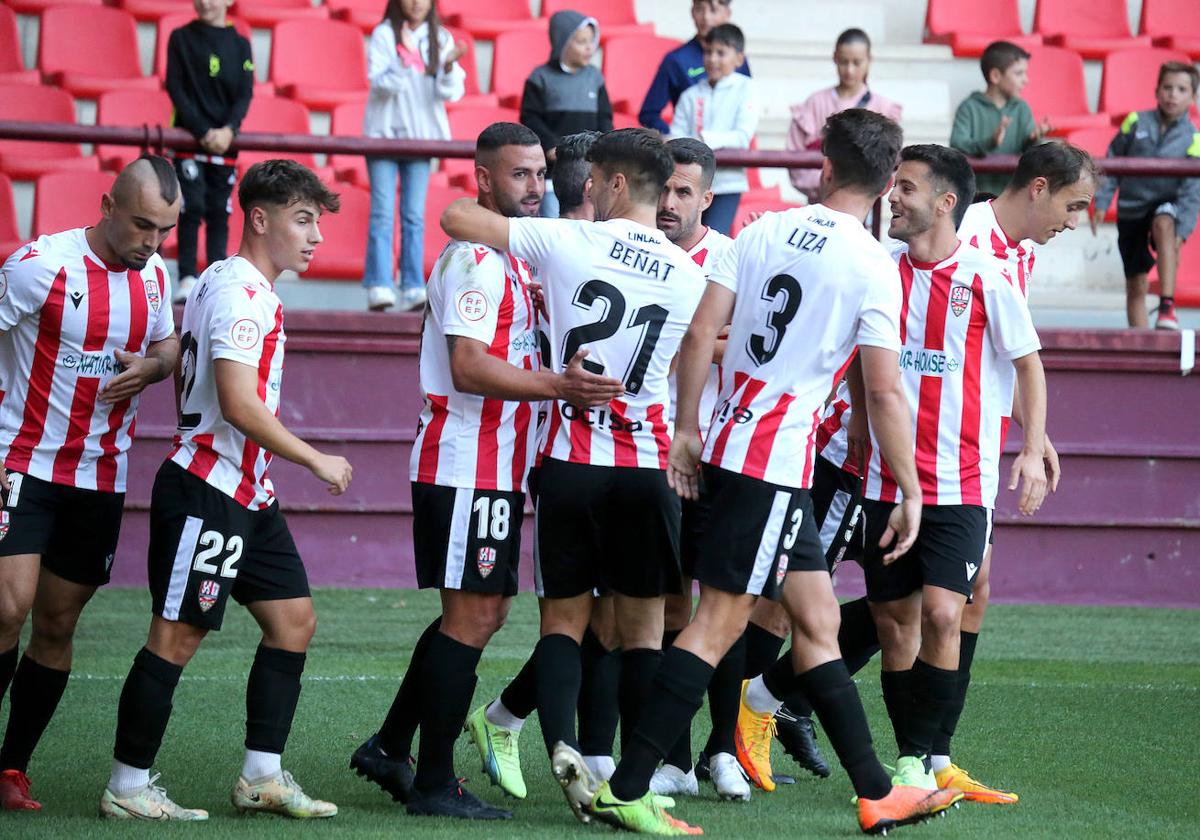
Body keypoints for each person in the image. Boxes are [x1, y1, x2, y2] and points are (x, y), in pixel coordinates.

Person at [560, 110, 961, 836]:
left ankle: (876, 789)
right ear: (881, 185)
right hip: (773, 463)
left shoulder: (763, 229)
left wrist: (686, 429)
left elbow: (696, 334)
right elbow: (881, 390)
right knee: (715, 627)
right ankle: (626, 786)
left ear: (826, 167)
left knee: (815, 625)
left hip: (732, 445)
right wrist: (908, 488)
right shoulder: (873, 266)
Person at [738, 140, 1094, 805]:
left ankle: (926, 755)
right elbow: (847, 356)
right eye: (893, 186)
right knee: (873, 614)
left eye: (905, 188)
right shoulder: (884, 270)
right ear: (1038, 191)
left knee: (947, 605)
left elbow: (1025, 360)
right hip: (873, 475)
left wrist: (1032, 441)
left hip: (959, 478)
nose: (892, 198)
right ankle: (778, 713)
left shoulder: (989, 269)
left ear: (945, 200)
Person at [350, 123, 623, 821]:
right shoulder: (475, 258)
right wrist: (558, 386)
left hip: (495, 467)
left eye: (539, 174)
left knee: (476, 614)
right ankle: (435, 783)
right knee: (472, 617)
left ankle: (390, 745)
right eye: (519, 176)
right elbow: (469, 366)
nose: (534, 189)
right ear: (483, 179)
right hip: (467, 462)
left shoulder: (517, 258)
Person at [442, 127, 707, 825]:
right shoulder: (689, 273)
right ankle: (634, 787)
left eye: (593, 179)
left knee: (563, 621)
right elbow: (697, 358)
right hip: (645, 467)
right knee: (645, 630)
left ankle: (554, 740)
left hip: (569, 461)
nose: (583, 188)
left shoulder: (566, 240)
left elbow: (454, 218)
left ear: (616, 185)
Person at [99, 160, 351, 821]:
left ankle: (261, 777)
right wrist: (315, 459)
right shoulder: (240, 291)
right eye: (304, 219)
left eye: (318, 222)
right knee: (175, 638)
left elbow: (192, 364)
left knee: (293, 622)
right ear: (260, 219)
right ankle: (126, 787)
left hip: (247, 491)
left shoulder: (219, 277)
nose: (316, 236)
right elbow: (238, 403)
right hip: (209, 488)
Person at [0, 157, 182, 812]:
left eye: (163, 230)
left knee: (54, 624)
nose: (151, 242)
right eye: (141, 225)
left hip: (100, 475)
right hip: (21, 459)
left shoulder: (156, 277)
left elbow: (170, 347)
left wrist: (153, 367)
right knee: (6, 607)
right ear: (107, 205)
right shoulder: (37, 265)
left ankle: (11, 767)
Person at [461, 130, 630, 798]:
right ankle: (585, 758)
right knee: (572, 616)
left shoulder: (578, 250)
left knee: (609, 616)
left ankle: (510, 719)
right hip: (561, 453)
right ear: (599, 186)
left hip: (616, 452)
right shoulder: (551, 248)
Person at [650, 137, 749, 802]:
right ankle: (675, 756)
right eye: (662, 188)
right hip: (651, 454)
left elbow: (741, 345)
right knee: (668, 603)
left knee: (728, 604)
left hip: (719, 454)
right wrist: (700, 341)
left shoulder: (732, 258)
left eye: (683, 191)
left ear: (708, 198)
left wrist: (698, 341)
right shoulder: (636, 250)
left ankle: (723, 749)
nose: (668, 202)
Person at [363, 0, 466, 312]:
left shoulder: (440, 37)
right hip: (383, 136)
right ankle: (380, 284)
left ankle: (411, 286)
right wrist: (403, 56)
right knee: (382, 213)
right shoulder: (384, 34)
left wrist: (447, 67)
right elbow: (379, 84)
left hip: (421, 139)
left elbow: (450, 92)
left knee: (413, 215)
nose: (415, 3)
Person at [1092, 61, 1200, 330]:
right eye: (1167, 88)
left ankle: (1167, 306)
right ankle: (1140, 344)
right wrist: (1102, 201)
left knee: (1165, 221)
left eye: (1181, 89)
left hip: (1165, 205)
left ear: (1193, 98)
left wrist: (1182, 231)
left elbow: (1191, 190)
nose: (1173, 94)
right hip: (1131, 210)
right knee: (1136, 285)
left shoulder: (1194, 138)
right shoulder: (1135, 121)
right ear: (1156, 91)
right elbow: (1113, 162)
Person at [165, 0, 254, 304]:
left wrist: (229, 130)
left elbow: (245, 92)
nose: (205, 2)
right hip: (190, 139)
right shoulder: (180, 38)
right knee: (190, 206)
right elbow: (175, 88)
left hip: (226, 143)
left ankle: (217, 275)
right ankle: (188, 276)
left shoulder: (241, 44)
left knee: (220, 209)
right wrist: (201, 131)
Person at [786, 28, 902, 204]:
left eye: (857, 63)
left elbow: (890, 161)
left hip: (864, 204)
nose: (849, 70)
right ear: (835, 58)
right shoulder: (814, 103)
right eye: (843, 62)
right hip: (819, 199)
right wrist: (824, 183)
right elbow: (795, 155)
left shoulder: (883, 107)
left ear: (869, 60)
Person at [520, 10, 613, 219]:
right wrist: (551, 146)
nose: (590, 47)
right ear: (562, 43)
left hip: (592, 174)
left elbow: (605, 118)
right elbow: (530, 118)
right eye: (581, 42)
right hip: (554, 177)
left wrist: (606, 147)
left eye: (591, 41)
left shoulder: (595, 77)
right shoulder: (540, 77)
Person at [669, 24, 758, 235]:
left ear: (738, 59)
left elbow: (742, 137)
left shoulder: (747, 88)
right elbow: (675, 137)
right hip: (689, 182)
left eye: (721, 53)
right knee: (683, 236)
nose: (712, 59)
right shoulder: (690, 94)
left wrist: (703, 140)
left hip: (728, 183)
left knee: (713, 237)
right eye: (708, 52)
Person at [949, 40, 1049, 197]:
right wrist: (990, 143)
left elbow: (1032, 157)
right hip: (974, 199)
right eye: (1018, 73)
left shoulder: (1021, 109)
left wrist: (1034, 140)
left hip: (1011, 200)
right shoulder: (969, 108)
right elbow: (957, 145)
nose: (1026, 80)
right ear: (995, 76)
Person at [638, 0, 751, 133]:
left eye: (713, 10)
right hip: (692, 148)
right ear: (692, 12)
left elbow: (746, 108)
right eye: (699, 9)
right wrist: (675, 141)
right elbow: (649, 113)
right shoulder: (676, 60)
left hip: (731, 148)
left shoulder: (735, 58)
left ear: (727, 13)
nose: (706, 17)